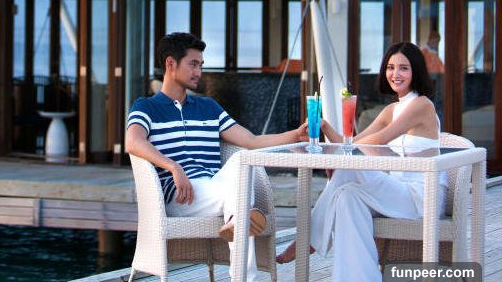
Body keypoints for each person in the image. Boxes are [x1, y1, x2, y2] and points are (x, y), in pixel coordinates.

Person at [126, 32, 308, 282]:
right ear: (170, 63)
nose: (199, 72)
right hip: (182, 196)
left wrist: (295, 135)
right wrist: (174, 167)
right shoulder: (146, 107)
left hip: (216, 188)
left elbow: (251, 141)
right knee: (241, 200)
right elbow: (133, 141)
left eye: (201, 65)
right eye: (193, 64)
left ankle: (238, 221)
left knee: (243, 159)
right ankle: (243, 219)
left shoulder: (209, 107)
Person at [276, 41, 448, 282]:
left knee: (347, 171)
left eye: (403, 68)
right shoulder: (392, 110)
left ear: (416, 71)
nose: (395, 74)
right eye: (390, 67)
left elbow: (377, 141)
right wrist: (325, 127)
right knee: (347, 197)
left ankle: (308, 238)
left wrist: (339, 161)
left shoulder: (422, 105)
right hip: (398, 192)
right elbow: (352, 143)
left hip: (421, 197)